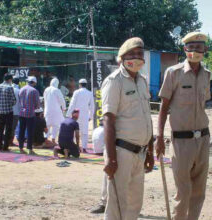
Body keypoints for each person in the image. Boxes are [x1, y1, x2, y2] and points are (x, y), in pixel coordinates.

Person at [156, 32, 211, 220]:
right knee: (183, 192)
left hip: (203, 139)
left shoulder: (207, 75)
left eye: (199, 47)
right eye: (191, 47)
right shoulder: (174, 73)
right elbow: (163, 109)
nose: (195, 51)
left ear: (205, 50)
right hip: (181, 141)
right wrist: (159, 138)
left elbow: (203, 106)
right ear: (185, 49)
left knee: (199, 191)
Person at [101, 37, 154, 219]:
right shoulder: (114, 81)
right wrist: (111, 157)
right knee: (117, 204)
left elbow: (147, 118)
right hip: (121, 152)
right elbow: (108, 119)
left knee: (134, 204)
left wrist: (150, 151)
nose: (137, 57)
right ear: (122, 57)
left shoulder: (143, 81)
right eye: (132, 54)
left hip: (140, 152)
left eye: (140, 53)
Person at [66, 78, 94, 153]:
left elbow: (72, 104)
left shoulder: (76, 92)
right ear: (86, 85)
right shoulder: (89, 93)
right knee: (84, 132)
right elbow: (92, 106)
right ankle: (84, 148)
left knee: (75, 130)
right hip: (85, 115)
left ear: (79, 85)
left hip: (76, 114)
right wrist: (90, 116)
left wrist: (68, 114)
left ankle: (75, 146)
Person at [18, 76, 40, 154]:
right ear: (34, 82)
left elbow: (19, 100)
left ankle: (21, 148)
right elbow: (37, 105)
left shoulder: (21, 89)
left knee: (21, 131)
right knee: (30, 131)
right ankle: (30, 149)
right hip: (30, 114)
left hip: (21, 113)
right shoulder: (34, 91)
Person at [90, 117, 106, 214]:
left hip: (97, 151)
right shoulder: (107, 130)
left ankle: (104, 203)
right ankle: (104, 204)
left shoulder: (96, 129)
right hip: (105, 152)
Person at [0, 74, 16, 151]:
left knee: (0, 129)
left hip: (1, 111)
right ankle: (5, 146)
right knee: (8, 130)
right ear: (10, 79)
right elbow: (13, 101)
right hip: (8, 111)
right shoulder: (10, 87)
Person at [44, 78, 66, 145]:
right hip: (56, 111)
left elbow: (45, 100)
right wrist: (64, 108)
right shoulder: (57, 90)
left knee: (47, 125)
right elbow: (62, 100)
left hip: (47, 110)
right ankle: (53, 139)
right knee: (56, 125)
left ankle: (46, 139)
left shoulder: (46, 89)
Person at [11, 76, 21, 146]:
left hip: (7, 111)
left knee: (8, 127)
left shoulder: (9, 88)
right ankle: (10, 141)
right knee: (13, 127)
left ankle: (7, 140)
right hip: (16, 112)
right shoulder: (18, 91)